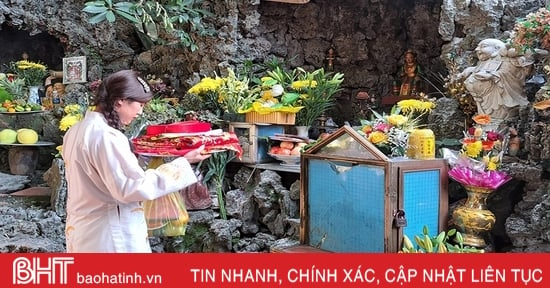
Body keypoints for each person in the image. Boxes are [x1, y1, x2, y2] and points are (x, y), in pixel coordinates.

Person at [62, 70, 211, 252]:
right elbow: (131, 188)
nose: (140, 112)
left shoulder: (76, 130)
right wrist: (182, 164)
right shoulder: (107, 137)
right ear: (120, 101)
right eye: (139, 105)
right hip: (112, 236)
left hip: (85, 232)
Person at [455, 38, 532, 127]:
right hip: (483, 103)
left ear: (497, 48)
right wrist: (469, 71)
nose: (477, 49)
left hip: (500, 103)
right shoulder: (485, 61)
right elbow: (481, 70)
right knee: (484, 123)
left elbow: (509, 73)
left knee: (498, 118)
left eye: (483, 46)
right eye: (477, 47)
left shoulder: (507, 60)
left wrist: (493, 76)